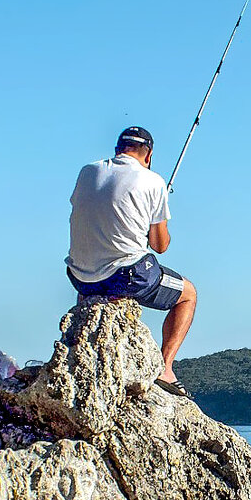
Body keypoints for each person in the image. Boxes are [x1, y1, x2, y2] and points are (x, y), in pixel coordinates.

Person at [65, 126, 197, 397]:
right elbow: (160, 245)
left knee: (98, 273)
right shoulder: (152, 181)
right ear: (148, 156)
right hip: (125, 275)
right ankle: (165, 368)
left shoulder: (87, 171)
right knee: (188, 295)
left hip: (80, 278)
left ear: (117, 150)